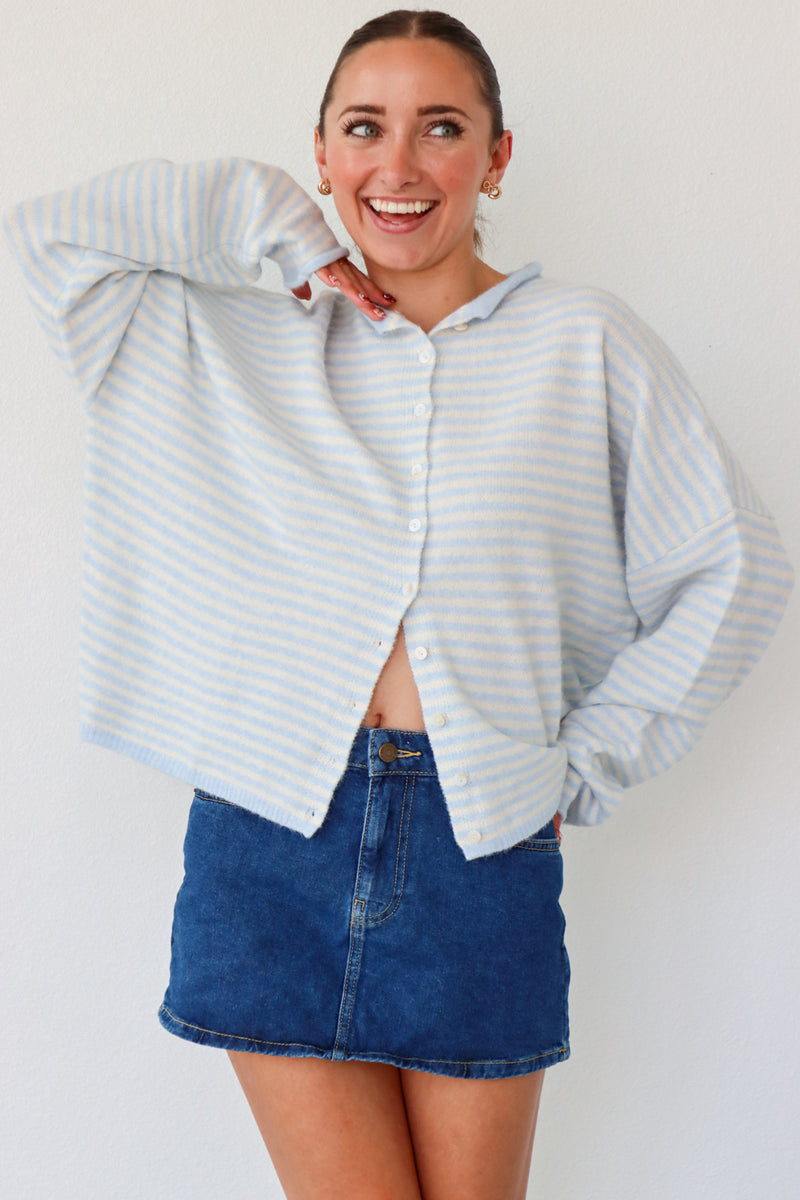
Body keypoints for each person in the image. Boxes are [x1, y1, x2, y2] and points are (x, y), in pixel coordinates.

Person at [4, 9, 792, 1200]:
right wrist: (269, 224)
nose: (400, 165)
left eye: (442, 129)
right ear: (320, 152)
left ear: (495, 156)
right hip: (271, 829)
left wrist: (586, 763)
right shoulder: (224, 327)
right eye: (362, 129)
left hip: (482, 836)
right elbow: (52, 234)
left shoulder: (583, 344)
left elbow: (735, 569)